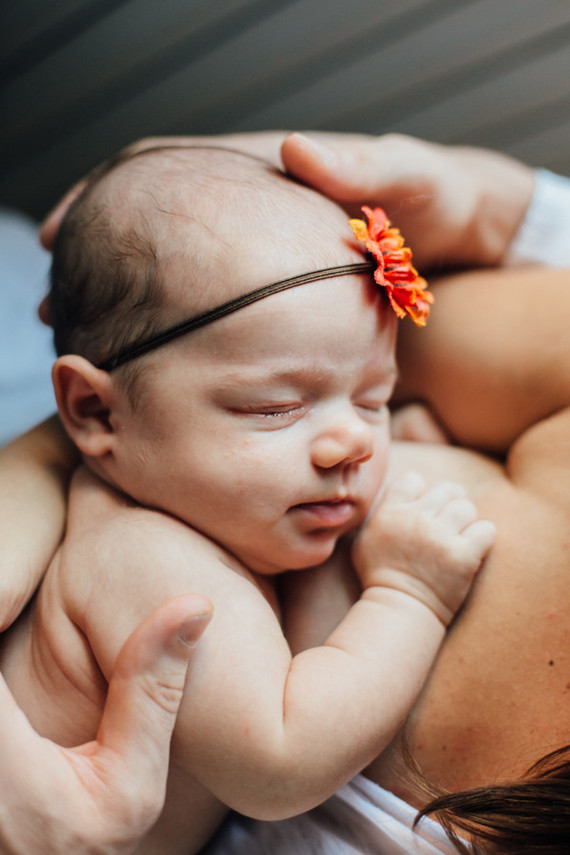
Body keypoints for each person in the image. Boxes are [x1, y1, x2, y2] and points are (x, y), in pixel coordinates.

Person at [4, 130, 570, 854]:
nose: (353, 444)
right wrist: (409, 595)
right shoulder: (151, 560)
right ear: (94, 411)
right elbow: (280, 761)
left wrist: (415, 439)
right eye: (273, 408)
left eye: (374, 400)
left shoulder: (208, 508)